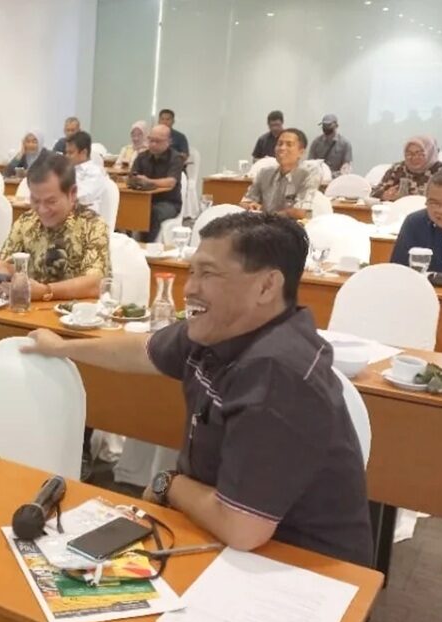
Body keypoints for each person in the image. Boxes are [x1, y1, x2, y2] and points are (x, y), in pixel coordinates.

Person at [21, 211, 372, 567]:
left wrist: (169, 484)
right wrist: (62, 348)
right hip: (222, 535)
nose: (189, 288)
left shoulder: (277, 373)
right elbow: (143, 350)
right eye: (192, 272)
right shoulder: (220, 328)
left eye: (208, 274)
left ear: (266, 287)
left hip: (300, 565)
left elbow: (242, 528)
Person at [0, 153, 109, 301]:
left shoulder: (93, 225)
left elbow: (95, 284)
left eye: (51, 202)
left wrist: (46, 291)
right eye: (35, 200)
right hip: (27, 310)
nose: (42, 210)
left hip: (74, 311)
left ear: (72, 193)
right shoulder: (26, 222)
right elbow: (4, 264)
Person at [241, 128, 318, 219]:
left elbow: (299, 212)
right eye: (279, 144)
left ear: (301, 152)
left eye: (289, 144)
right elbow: (244, 202)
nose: (282, 148)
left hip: (293, 225)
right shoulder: (264, 173)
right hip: (264, 223)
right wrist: (250, 206)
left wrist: (267, 215)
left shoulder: (308, 174)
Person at [128, 124, 183, 243]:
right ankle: (127, 242)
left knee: (151, 212)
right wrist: (135, 180)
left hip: (168, 202)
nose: (153, 144)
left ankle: (146, 245)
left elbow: (171, 182)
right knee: (126, 207)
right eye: (151, 140)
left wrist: (149, 181)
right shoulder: (142, 157)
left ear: (169, 142)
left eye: (157, 141)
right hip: (143, 199)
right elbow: (132, 176)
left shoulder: (175, 158)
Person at [371, 136, 442, 201]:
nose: (414, 158)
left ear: (430, 153)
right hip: (399, 210)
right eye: (409, 154)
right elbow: (374, 193)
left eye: (419, 154)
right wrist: (384, 195)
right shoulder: (398, 168)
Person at [64, 130, 108, 214]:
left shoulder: (95, 172)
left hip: (86, 216)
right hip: (67, 212)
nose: (67, 156)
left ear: (84, 152)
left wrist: (59, 197)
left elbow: (84, 198)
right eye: (66, 152)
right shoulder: (68, 169)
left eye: (71, 153)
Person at [308, 114, 353, 178]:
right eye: (324, 125)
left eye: (329, 125)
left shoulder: (345, 144)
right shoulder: (316, 142)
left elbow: (346, 168)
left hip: (336, 179)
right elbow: (310, 164)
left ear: (336, 126)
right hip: (318, 178)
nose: (326, 128)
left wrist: (333, 175)